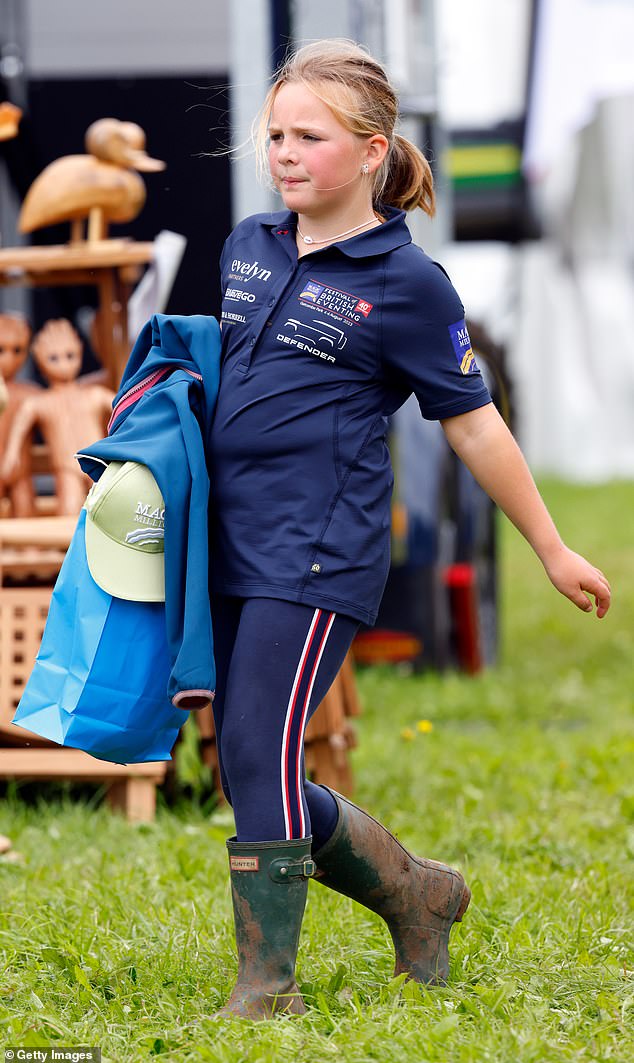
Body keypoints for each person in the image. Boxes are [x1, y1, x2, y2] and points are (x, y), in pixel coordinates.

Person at [206, 39, 611, 1020]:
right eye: (274, 135)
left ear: (373, 151)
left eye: (309, 136)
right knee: (245, 760)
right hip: (228, 537)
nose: (284, 153)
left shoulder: (408, 284)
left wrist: (551, 546)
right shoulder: (248, 244)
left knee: (261, 754)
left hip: (316, 551)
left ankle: (268, 989)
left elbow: (473, 426)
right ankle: (417, 892)